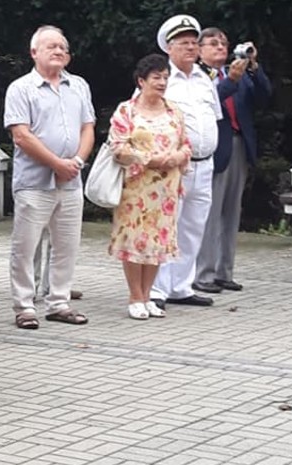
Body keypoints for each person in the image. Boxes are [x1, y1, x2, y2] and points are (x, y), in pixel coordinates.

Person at [4, 25, 95, 330]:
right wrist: (57, 163)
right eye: (51, 46)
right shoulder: (21, 88)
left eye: (62, 47)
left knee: (66, 245)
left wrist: (77, 161)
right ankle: (24, 306)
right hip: (34, 182)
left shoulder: (79, 85)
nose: (58, 51)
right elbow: (21, 135)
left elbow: (88, 127)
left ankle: (59, 302)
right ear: (34, 52)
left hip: (71, 180)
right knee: (25, 247)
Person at [108, 54, 191, 319]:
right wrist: (150, 160)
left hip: (166, 189)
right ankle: (134, 296)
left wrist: (177, 157)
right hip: (136, 188)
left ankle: (148, 295)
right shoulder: (127, 110)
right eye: (156, 77)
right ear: (141, 81)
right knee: (134, 240)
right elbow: (118, 147)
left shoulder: (174, 110)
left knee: (158, 241)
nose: (162, 82)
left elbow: (186, 143)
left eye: (165, 77)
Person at [149, 15, 222, 310]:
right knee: (167, 225)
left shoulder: (205, 79)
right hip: (172, 166)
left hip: (204, 163)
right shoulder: (160, 78)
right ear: (169, 47)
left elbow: (214, 117)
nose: (191, 47)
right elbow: (142, 117)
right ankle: (157, 289)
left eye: (194, 42)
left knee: (193, 227)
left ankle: (181, 286)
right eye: (183, 43)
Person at [193, 27, 272, 293]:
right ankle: (203, 274)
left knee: (231, 212)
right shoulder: (197, 76)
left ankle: (224, 272)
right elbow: (209, 102)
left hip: (240, 145)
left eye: (224, 43)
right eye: (213, 43)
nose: (221, 47)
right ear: (200, 49)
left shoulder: (236, 72)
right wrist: (232, 82)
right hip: (215, 147)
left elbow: (264, 96)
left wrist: (254, 67)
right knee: (210, 212)